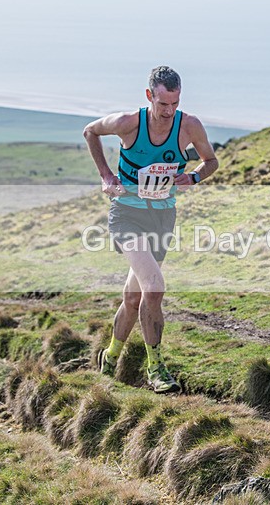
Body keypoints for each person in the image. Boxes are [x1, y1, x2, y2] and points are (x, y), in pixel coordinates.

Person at [83, 66, 219, 394]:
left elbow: (210, 161)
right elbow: (90, 132)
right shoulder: (129, 123)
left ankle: (111, 355)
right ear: (150, 97)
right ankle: (155, 367)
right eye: (162, 105)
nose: (168, 111)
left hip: (162, 218)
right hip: (127, 215)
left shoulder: (189, 126)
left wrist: (195, 176)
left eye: (174, 104)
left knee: (134, 297)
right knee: (154, 287)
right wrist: (106, 176)